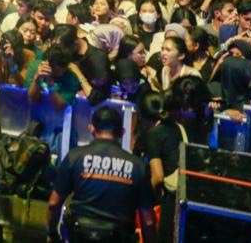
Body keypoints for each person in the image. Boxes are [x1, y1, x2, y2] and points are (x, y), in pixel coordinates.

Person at [49, 105, 157, 243]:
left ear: (91, 129)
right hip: (119, 237)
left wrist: (52, 234)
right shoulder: (138, 166)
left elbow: (54, 203)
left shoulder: (75, 157)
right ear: (122, 132)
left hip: (79, 234)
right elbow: (148, 221)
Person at [143, 75, 212, 241]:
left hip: (170, 200)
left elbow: (158, 176)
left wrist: (144, 201)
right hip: (189, 195)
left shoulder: (154, 134)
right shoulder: (182, 127)